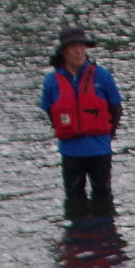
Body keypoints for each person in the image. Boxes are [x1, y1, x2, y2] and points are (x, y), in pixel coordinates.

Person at [40, 26, 123, 216]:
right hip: (71, 151)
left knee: (103, 195)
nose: (79, 51)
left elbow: (115, 109)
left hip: (99, 149)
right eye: (73, 47)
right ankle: (77, 240)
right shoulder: (52, 81)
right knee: (74, 197)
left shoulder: (102, 76)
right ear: (64, 52)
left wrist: (108, 135)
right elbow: (50, 112)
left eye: (81, 47)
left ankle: (104, 239)